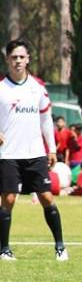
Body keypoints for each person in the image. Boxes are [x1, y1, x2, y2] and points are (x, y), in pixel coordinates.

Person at [0, 39, 68, 261]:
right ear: (7, 59)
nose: (18, 61)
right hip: (8, 154)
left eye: (21, 56)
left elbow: (46, 120)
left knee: (47, 197)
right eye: (14, 57)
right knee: (8, 199)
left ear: (28, 59)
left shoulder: (38, 87)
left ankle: (60, 247)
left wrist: (52, 149)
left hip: (36, 154)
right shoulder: (1, 87)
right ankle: (4, 249)